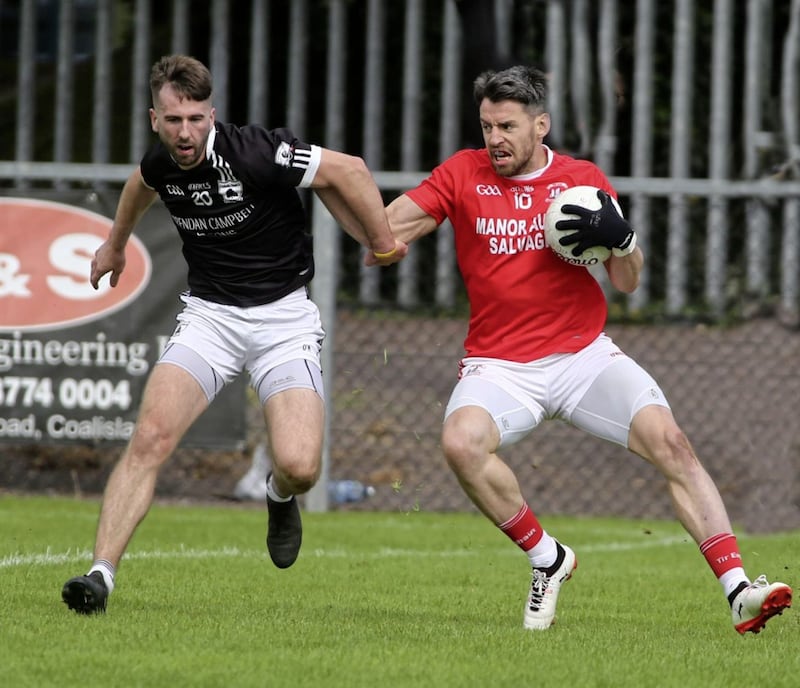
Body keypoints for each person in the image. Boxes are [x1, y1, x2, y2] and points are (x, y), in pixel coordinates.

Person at [380, 65, 792, 633]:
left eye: (506, 126)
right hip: (500, 365)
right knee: (460, 443)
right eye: (486, 126)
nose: (493, 139)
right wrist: (357, 215)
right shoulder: (463, 173)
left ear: (540, 125)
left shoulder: (581, 181)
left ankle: (739, 591)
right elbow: (388, 228)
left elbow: (627, 280)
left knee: (673, 444)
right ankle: (547, 557)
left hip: (583, 357)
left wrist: (622, 239)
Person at [61, 54, 407, 614]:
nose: (185, 132)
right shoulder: (162, 162)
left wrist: (383, 241)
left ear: (212, 114)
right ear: (155, 119)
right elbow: (137, 186)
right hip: (210, 319)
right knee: (150, 438)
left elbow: (350, 171)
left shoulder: (257, 151)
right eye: (173, 120)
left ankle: (276, 495)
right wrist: (115, 244)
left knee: (300, 467)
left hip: (283, 321)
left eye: (196, 119)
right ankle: (99, 575)